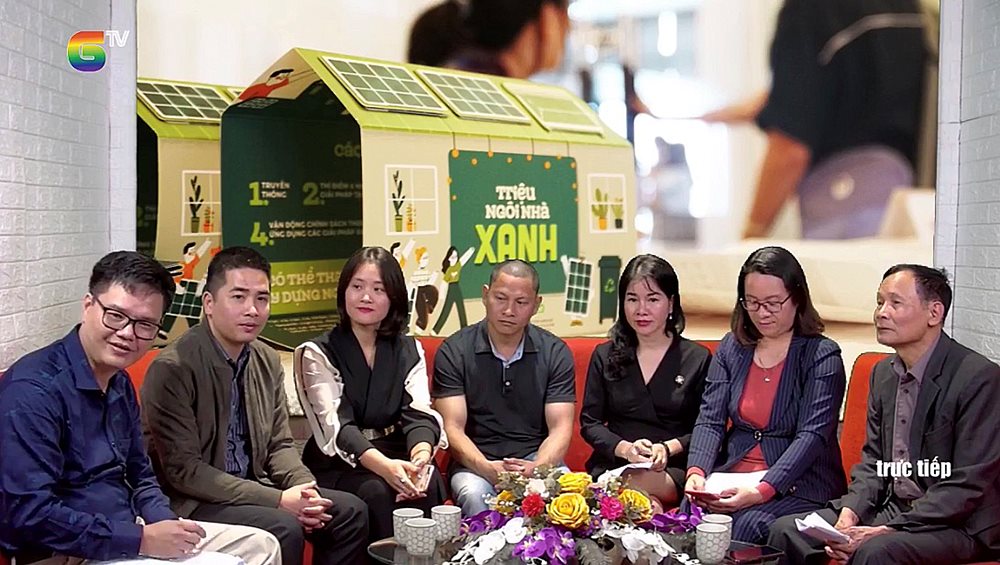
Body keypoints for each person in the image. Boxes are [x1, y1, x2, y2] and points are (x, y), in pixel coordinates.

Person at [0, 251, 280, 565]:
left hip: (129, 527)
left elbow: (140, 473)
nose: (127, 333)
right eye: (115, 316)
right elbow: (30, 514)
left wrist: (164, 524)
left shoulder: (118, 382)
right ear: (89, 305)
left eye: (145, 325)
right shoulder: (33, 390)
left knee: (262, 546)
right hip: (69, 549)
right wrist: (141, 540)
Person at [140, 247, 369, 565]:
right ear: (209, 303)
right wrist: (279, 500)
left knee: (350, 511)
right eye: (238, 297)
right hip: (196, 499)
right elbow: (185, 472)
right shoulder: (174, 368)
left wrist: (304, 487)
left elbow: (279, 444)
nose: (252, 310)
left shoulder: (266, 359)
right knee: (284, 526)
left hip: (255, 486)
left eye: (262, 298)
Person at [768, 265, 1000, 565]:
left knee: (875, 551)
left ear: (934, 313)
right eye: (879, 302)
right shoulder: (883, 374)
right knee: (786, 530)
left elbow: (967, 484)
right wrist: (850, 513)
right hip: (894, 507)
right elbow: (873, 461)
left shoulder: (978, 378)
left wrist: (885, 530)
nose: (881, 313)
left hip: (957, 523)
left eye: (895, 303)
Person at [703, 0, 928, 239]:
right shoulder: (910, 7)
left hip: (844, 203)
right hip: (914, 206)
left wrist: (752, 234)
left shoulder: (809, 10)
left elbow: (790, 150)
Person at [684, 246, 847, 543]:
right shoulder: (732, 347)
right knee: (690, 513)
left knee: (743, 525)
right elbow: (710, 419)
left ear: (797, 298)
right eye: (753, 302)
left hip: (797, 483)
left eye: (773, 303)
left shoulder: (822, 355)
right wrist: (696, 471)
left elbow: (812, 436)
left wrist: (762, 490)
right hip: (733, 473)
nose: (762, 313)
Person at [294, 246, 448, 542]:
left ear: (394, 297)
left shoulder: (408, 349)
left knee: (426, 485)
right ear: (344, 291)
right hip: (342, 462)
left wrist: (419, 458)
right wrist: (386, 468)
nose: (366, 297)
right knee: (378, 491)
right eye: (357, 287)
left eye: (378, 289)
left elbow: (418, 411)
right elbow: (337, 426)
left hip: (396, 451)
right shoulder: (316, 352)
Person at [432, 259, 575, 516]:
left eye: (521, 302)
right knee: (474, 495)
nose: (509, 310)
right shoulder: (455, 351)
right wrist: (487, 468)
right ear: (485, 295)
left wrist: (537, 469)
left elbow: (560, 428)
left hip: (536, 459)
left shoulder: (555, 352)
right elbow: (452, 428)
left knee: (568, 497)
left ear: (536, 305)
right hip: (476, 463)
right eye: (500, 298)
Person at [580, 254, 712, 511]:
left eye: (652, 299)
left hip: (669, 466)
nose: (641, 310)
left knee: (632, 492)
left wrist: (667, 448)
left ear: (671, 303)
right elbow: (590, 423)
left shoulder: (696, 358)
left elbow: (706, 427)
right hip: (616, 463)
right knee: (645, 506)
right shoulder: (605, 355)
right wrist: (625, 449)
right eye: (632, 299)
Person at [408, 0, 570, 78]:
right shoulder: (497, 99)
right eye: (565, 12)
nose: (568, 26)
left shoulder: (464, 74)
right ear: (547, 18)